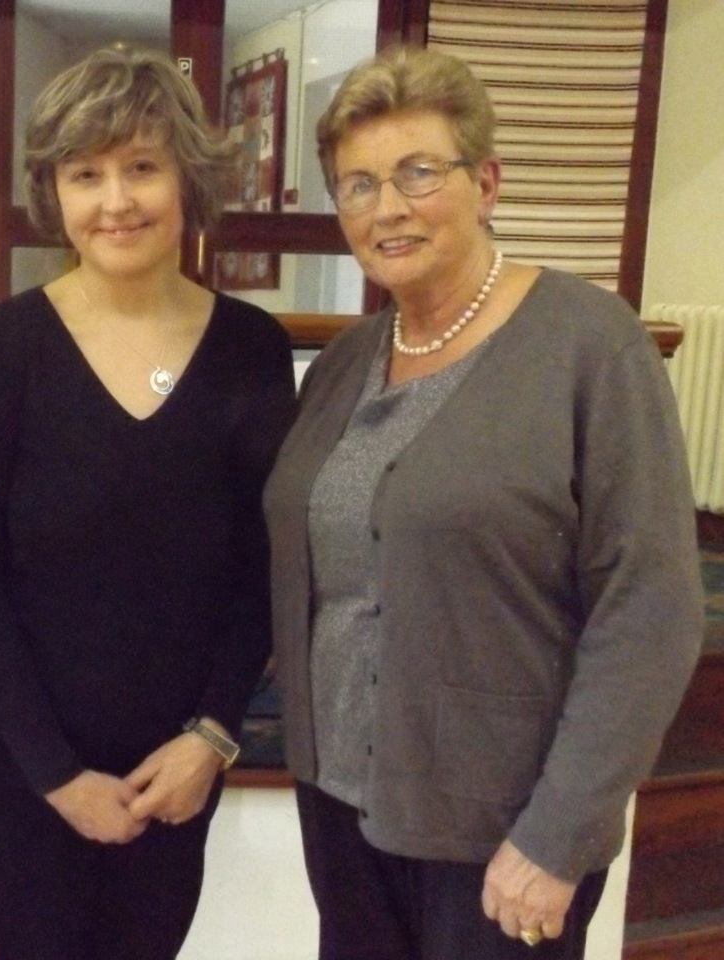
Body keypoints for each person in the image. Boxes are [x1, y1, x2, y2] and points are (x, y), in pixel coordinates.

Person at [263, 46, 703, 960]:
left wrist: (559, 834)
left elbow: (649, 610)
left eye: (417, 173)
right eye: (357, 185)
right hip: (340, 808)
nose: (386, 208)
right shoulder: (345, 362)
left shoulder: (591, 349)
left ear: (485, 180)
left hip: (503, 834)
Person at [0, 45, 296, 960]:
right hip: (21, 762)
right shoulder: (3, 348)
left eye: (142, 166)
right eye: (84, 173)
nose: (116, 200)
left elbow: (264, 568)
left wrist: (211, 738)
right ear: (52, 193)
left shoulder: (252, 349)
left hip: (173, 763)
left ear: (188, 179)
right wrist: (55, 776)